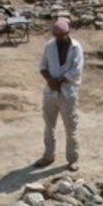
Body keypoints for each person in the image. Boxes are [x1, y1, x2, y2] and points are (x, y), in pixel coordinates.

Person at [35, 18, 84, 173]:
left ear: (67, 33)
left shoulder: (76, 48)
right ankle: (48, 155)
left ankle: (72, 159)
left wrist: (60, 81)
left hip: (68, 93)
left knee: (71, 127)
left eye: (62, 36)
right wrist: (50, 80)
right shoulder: (49, 46)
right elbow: (43, 67)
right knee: (49, 126)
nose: (59, 39)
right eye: (56, 36)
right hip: (50, 92)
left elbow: (77, 70)